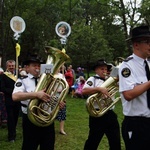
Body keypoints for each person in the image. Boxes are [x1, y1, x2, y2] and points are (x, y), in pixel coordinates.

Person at [12, 55, 66, 150]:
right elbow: (15, 96)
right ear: (27, 67)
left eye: (39, 66)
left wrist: (58, 103)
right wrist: (36, 95)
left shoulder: (50, 80)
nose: (37, 68)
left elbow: (53, 96)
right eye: (34, 65)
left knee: (48, 146)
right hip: (30, 119)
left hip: (47, 119)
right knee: (29, 146)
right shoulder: (22, 80)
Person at [119, 25, 150, 150]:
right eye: (147, 42)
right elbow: (128, 94)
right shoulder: (127, 66)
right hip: (136, 124)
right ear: (136, 45)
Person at [82, 59, 121, 150]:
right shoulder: (92, 79)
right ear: (96, 70)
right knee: (93, 141)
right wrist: (99, 89)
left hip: (110, 113)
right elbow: (84, 91)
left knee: (115, 142)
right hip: (97, 115)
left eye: (106, 69)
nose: (104, 71)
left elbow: (121, 85)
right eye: (102, 69)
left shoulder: (111, 79)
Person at [0, 60, 21, 142]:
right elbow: (2, 88)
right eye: (10, 66)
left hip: (18, 99)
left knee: (16, 117)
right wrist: (13, 91)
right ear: (7, 66)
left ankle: (14, 132)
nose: (11, 67)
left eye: (13, 66)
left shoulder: (18, 75)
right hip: (9, 99)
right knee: (10, 118)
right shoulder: (3, 76)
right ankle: (11, 136)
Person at [55, 66, 67, 135]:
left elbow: (65, 85)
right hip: (52, 95)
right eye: (58, 68)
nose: (59, 69)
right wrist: (56, 90)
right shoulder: (50, 75)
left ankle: (61, 129)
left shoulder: (62, 76)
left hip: (61, 96)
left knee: (62, 112)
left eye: (59, 68)